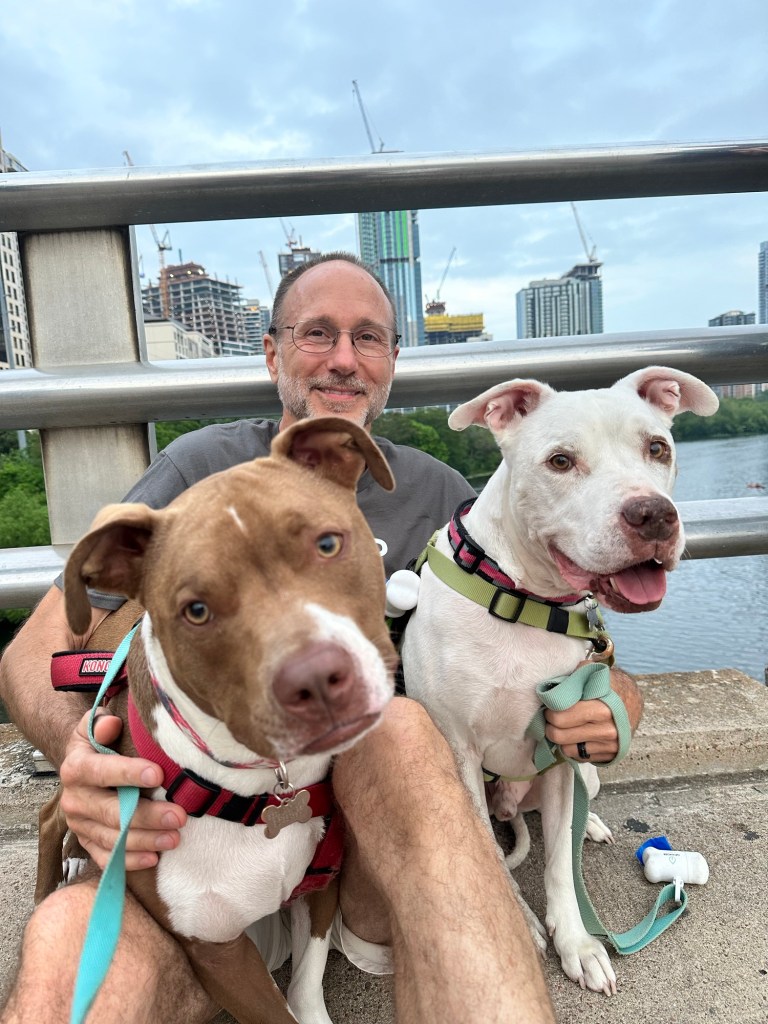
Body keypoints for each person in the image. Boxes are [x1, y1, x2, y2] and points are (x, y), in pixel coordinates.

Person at [0, 253, 642, 1024]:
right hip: (193, 838)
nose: (343, 358)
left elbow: (573, 640)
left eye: (367, 337)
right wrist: (86, 756)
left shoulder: (444, 496)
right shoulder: (197, 470)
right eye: (316, 333)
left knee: (401, 729)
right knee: (68, 946)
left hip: (370, 850)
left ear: (393, 360)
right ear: (272, 352)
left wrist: (620, 704)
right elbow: (32, 654)